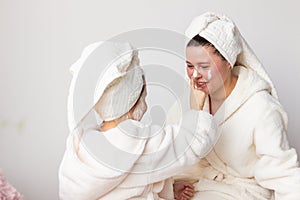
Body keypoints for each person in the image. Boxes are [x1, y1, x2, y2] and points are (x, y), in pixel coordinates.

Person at [59, 41, 219, 199]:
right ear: (136, 98)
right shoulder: (137, 142)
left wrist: (169, 190)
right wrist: (196, 105)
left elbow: (132, 182)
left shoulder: (83, 144)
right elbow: (194, 142)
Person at [172, 12, 300, 199]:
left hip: (240, 192)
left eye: (204, 66)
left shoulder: (261, 108)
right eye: (190, 66)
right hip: (193, 186)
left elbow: (284, 173)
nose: (195, 75)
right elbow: (169, 153)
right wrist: (195, 113)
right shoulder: (190, 98)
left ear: (229, 62)